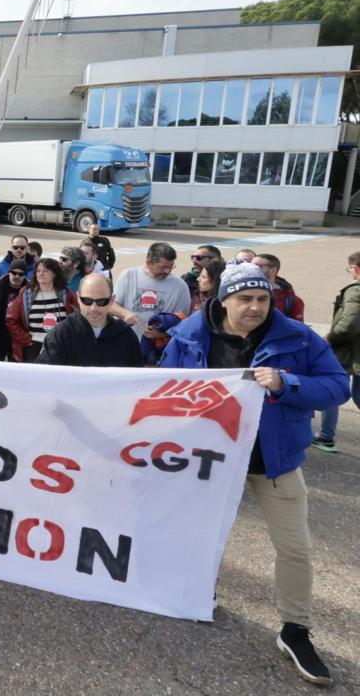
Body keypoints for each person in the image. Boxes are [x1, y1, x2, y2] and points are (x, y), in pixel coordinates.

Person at [161, 263, 347, 687]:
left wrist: (288, 383)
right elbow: (166, 389)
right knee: (200, 534)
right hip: (211, 460)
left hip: (274, 463)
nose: (255, 307)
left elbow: (338, 386)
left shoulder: (297, 338)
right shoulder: (191, 337)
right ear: (223, 299)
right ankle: (198, 591)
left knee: (295, 548)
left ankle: (295, 629)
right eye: (244, 298)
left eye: (262, 299)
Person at [36, 274, 142, 367]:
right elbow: (45, 375)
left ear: (112, 300)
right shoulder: (61, 334)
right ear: (78, 298)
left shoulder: (126, 336)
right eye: (87, 300)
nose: (93, 308)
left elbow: (136, 379)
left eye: (102, 301)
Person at [316, 252, 360, 453]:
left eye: (350, 269)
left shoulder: (355, 290)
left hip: (349, 352)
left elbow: (348, 324)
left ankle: (326, 436)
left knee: (332, 387)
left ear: (356, 268)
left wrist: (330, 337)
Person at [113, 242, 191, 342]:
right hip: (126, 343)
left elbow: (183, 322)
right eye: (163, 267)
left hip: (158, 350)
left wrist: (163, 334)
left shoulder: (180, 286)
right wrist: (125, 314)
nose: (168, 271)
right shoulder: (128, 275)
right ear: (148, 262)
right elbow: (111, 306)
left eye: (171, 266)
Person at [6, 257, 77, 363]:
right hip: (33, 347)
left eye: (45, 270)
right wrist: (25, 339)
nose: (41, 273)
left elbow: (78, 319)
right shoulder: (26, 295)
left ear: (55, 274)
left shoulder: (67, 295)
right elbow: (11, 319)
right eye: (38, 271)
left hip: (60, 347)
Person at [0, 259, 28, 362]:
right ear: (9, 272)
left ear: (25, 275)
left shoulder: (30, 290)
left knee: (15, 369)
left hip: (18, 335)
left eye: (20, 274)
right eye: (14, 273)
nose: (17, 276)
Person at [254, 254, 305, 322]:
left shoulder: (291, 300)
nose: (251, 268)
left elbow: (297, 329)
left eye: (257, 266)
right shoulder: (242, 291)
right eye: (250, 265)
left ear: (272, 270)